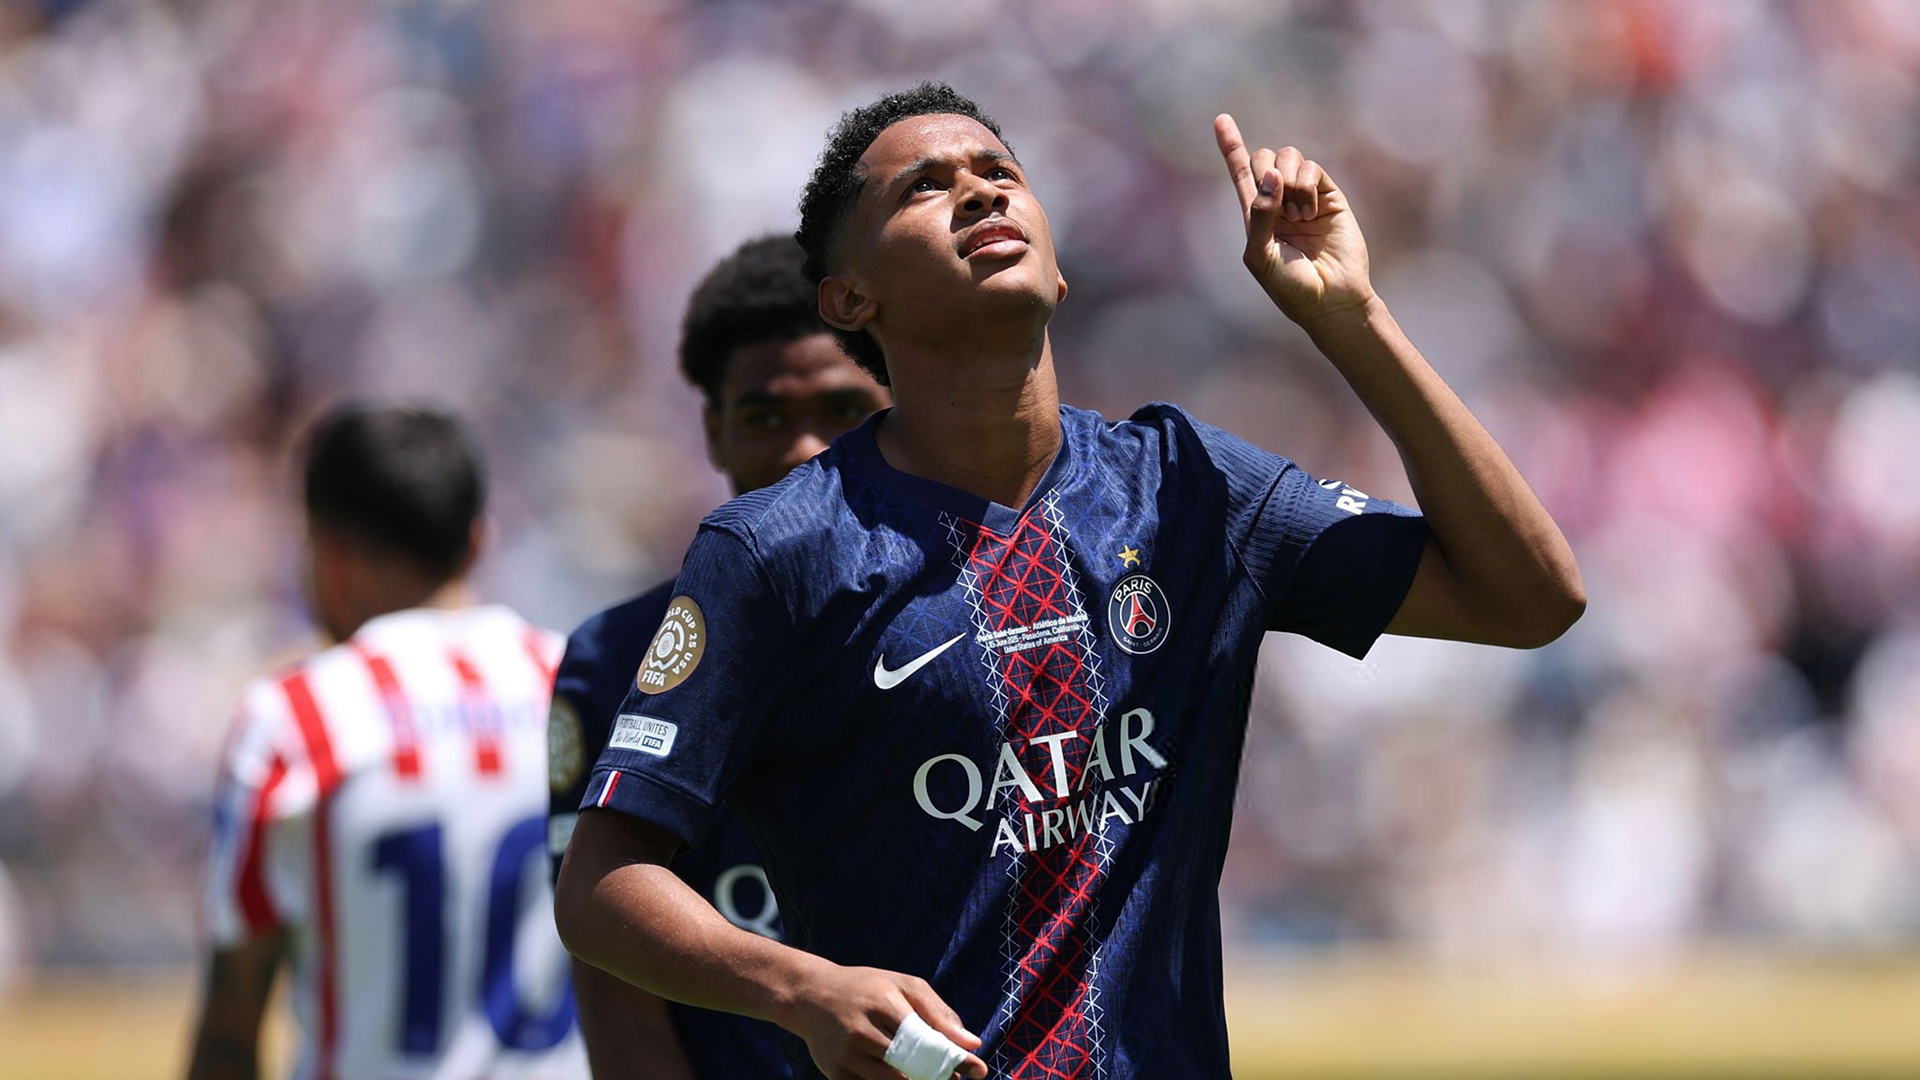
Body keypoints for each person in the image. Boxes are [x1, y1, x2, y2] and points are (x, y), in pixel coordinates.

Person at [556, 82, 1585, 1080]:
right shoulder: (776, 548)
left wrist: (1352, 318)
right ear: (849, 297)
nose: (980, 191)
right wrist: (799, 988)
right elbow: (600, 883)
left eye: (999, 170)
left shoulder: (1192, 490)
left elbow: (1532, 599)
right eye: (922, 186)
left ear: (1058, 266)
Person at [546, 234, 890, 1080]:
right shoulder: (621, 658)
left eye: (845, 409)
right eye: (765, 416)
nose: (806, 449)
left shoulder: (989, 608)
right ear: (713, 431)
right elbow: (614, 985)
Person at [188, 406, 584, 1080]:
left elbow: (230, 1030)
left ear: (329, 558)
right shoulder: (581, 686)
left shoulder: (295, 720)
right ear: (477, 543)